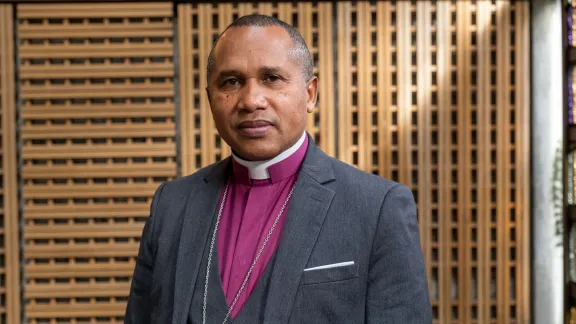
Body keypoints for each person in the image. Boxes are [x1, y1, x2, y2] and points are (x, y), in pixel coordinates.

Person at [125, 14, 432, 324]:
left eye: (271, 78)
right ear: (210, 98)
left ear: (310, 94)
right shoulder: (171, 205)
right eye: (231, 81)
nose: (251, 100)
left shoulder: (377, 208)